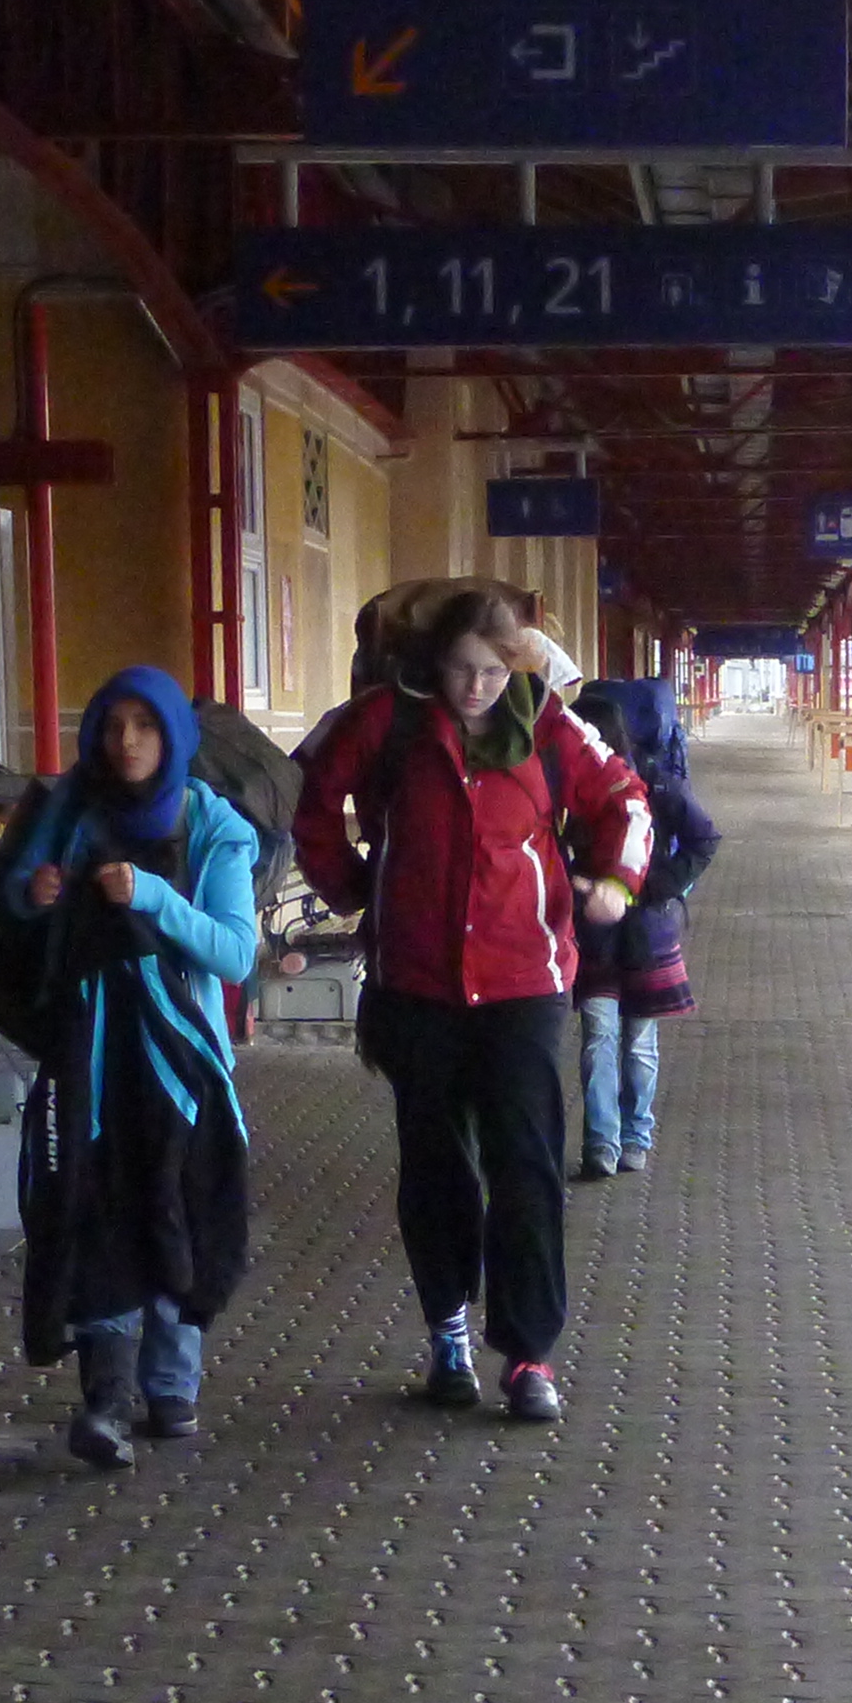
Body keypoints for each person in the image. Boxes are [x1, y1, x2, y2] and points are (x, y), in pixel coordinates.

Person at [293, 587, 652, 1424]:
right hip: (417, 985)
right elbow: (313, 801)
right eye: (461, 669)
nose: (477, 688)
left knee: (526, 1165)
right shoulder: (386, 721)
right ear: (435, 662)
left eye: (494, 671)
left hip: (525, 981)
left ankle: (529, 1354)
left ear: (517, 667)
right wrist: (355, 890)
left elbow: (627, 799)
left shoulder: (553, 727)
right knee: (434, 1164)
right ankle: (447, 1330)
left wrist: (617, 881)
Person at [0, 668, 260, 1468]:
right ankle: (105, 1396)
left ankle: (170, 1385)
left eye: (145, 725)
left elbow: (235, 953)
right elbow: (13, 911)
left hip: (181, 1069)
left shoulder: (214, 827)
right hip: (89, 1060)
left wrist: (152, 896)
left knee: (173, 1208)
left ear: (173, 736)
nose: (127, 741)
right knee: (96, 1206)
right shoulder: (70, 810)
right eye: (112, 725)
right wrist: (34, 896)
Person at [567, 678, 718, 1182]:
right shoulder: (568, 790)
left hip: (647, 931)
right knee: (599, 1035)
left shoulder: (655, 783)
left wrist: (654, 887)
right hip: (594, 932)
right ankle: (602, 1142)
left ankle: (636, 1134)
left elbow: (704, 838)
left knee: (637, 1041)